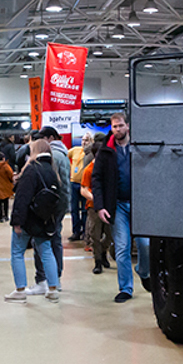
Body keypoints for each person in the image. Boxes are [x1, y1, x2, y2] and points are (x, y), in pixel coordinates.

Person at [91, 111, 149, 303]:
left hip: (140, 205)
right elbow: (96, 180)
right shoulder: (105, 151)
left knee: (145, 245)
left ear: (127, 126)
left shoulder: (139, 147)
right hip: (117, 206)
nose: (117, 129)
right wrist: (100, 206)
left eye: (120, 125)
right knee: (122, 248)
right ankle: (126, 288)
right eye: (114, 126)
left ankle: (144, 270)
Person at [5, 137, 62, 303]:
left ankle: (20, 289)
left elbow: (22, 198)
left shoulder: (31, 169)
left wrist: (17, 221)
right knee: (46, 252)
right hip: (44, 219)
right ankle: (53, 288)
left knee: (17, 252)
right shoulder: (52, 171)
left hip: (28, 220)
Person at [32, 125, 69, 288]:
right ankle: (57, 277)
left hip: (46, 204)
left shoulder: (50, 156)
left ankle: (43, 279)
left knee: (41, 240)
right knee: (56, 239)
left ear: (50, 139)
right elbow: (66, 184)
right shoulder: (64, 154)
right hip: (59, 203)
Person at [82, 133, 113, 274]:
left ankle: (103, 252)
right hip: (93, 208)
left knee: (110, 234)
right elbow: (83, 189)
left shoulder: (111, 169)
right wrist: (95, 198)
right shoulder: (89, 169)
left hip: (109, 206)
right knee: (95, 235)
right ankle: (98, 261)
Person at [67, 131, 91, 242]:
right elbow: (64, 155)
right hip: (74, 183)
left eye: (87, 140)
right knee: (74, 209)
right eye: (83, 140)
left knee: (85, 210)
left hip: (85, 185)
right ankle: (76, 231)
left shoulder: (91, 153)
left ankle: (85, 232)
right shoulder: (75, 150)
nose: (84, 142)